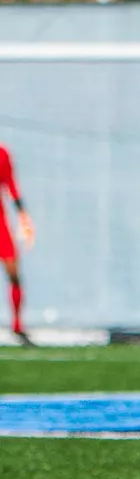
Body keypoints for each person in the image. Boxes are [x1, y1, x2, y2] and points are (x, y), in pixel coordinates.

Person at [0, 143, 35, 345]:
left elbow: (10, 184)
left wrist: (22, 213)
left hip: (0, 222)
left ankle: (17, 326)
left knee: (14, 273)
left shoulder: (3, 154)